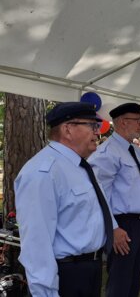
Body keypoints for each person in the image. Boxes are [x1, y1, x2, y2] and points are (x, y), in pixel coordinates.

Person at [15, 102, 116, 296]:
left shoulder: (79, 166)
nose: (98, 133)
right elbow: (37, 245)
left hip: (90, 269)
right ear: (68, 129)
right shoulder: (43, 172)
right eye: (92, 126)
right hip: (66, 276)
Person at [89, 103, 140, 297]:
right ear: (124, 122)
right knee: (120, 281)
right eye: (138, 120)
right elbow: (99, 195)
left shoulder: (134, 150)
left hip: (139, 222)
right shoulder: (108, 152)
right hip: (122, 224)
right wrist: (113, 228)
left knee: (133, 279)